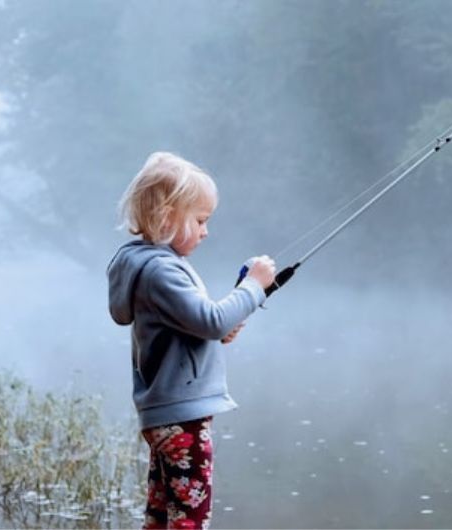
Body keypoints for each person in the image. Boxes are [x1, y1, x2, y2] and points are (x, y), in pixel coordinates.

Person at [107, 151, 276, 529]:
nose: (205, 231)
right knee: (190, 517)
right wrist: (254, 286)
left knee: (161, 513)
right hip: (182, 416)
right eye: (200, 220)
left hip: (165, 414)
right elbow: (211, 320)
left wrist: (218, 333)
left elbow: (196, 325)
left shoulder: (148, 265)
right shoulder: (161, 271)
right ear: (167, 217)